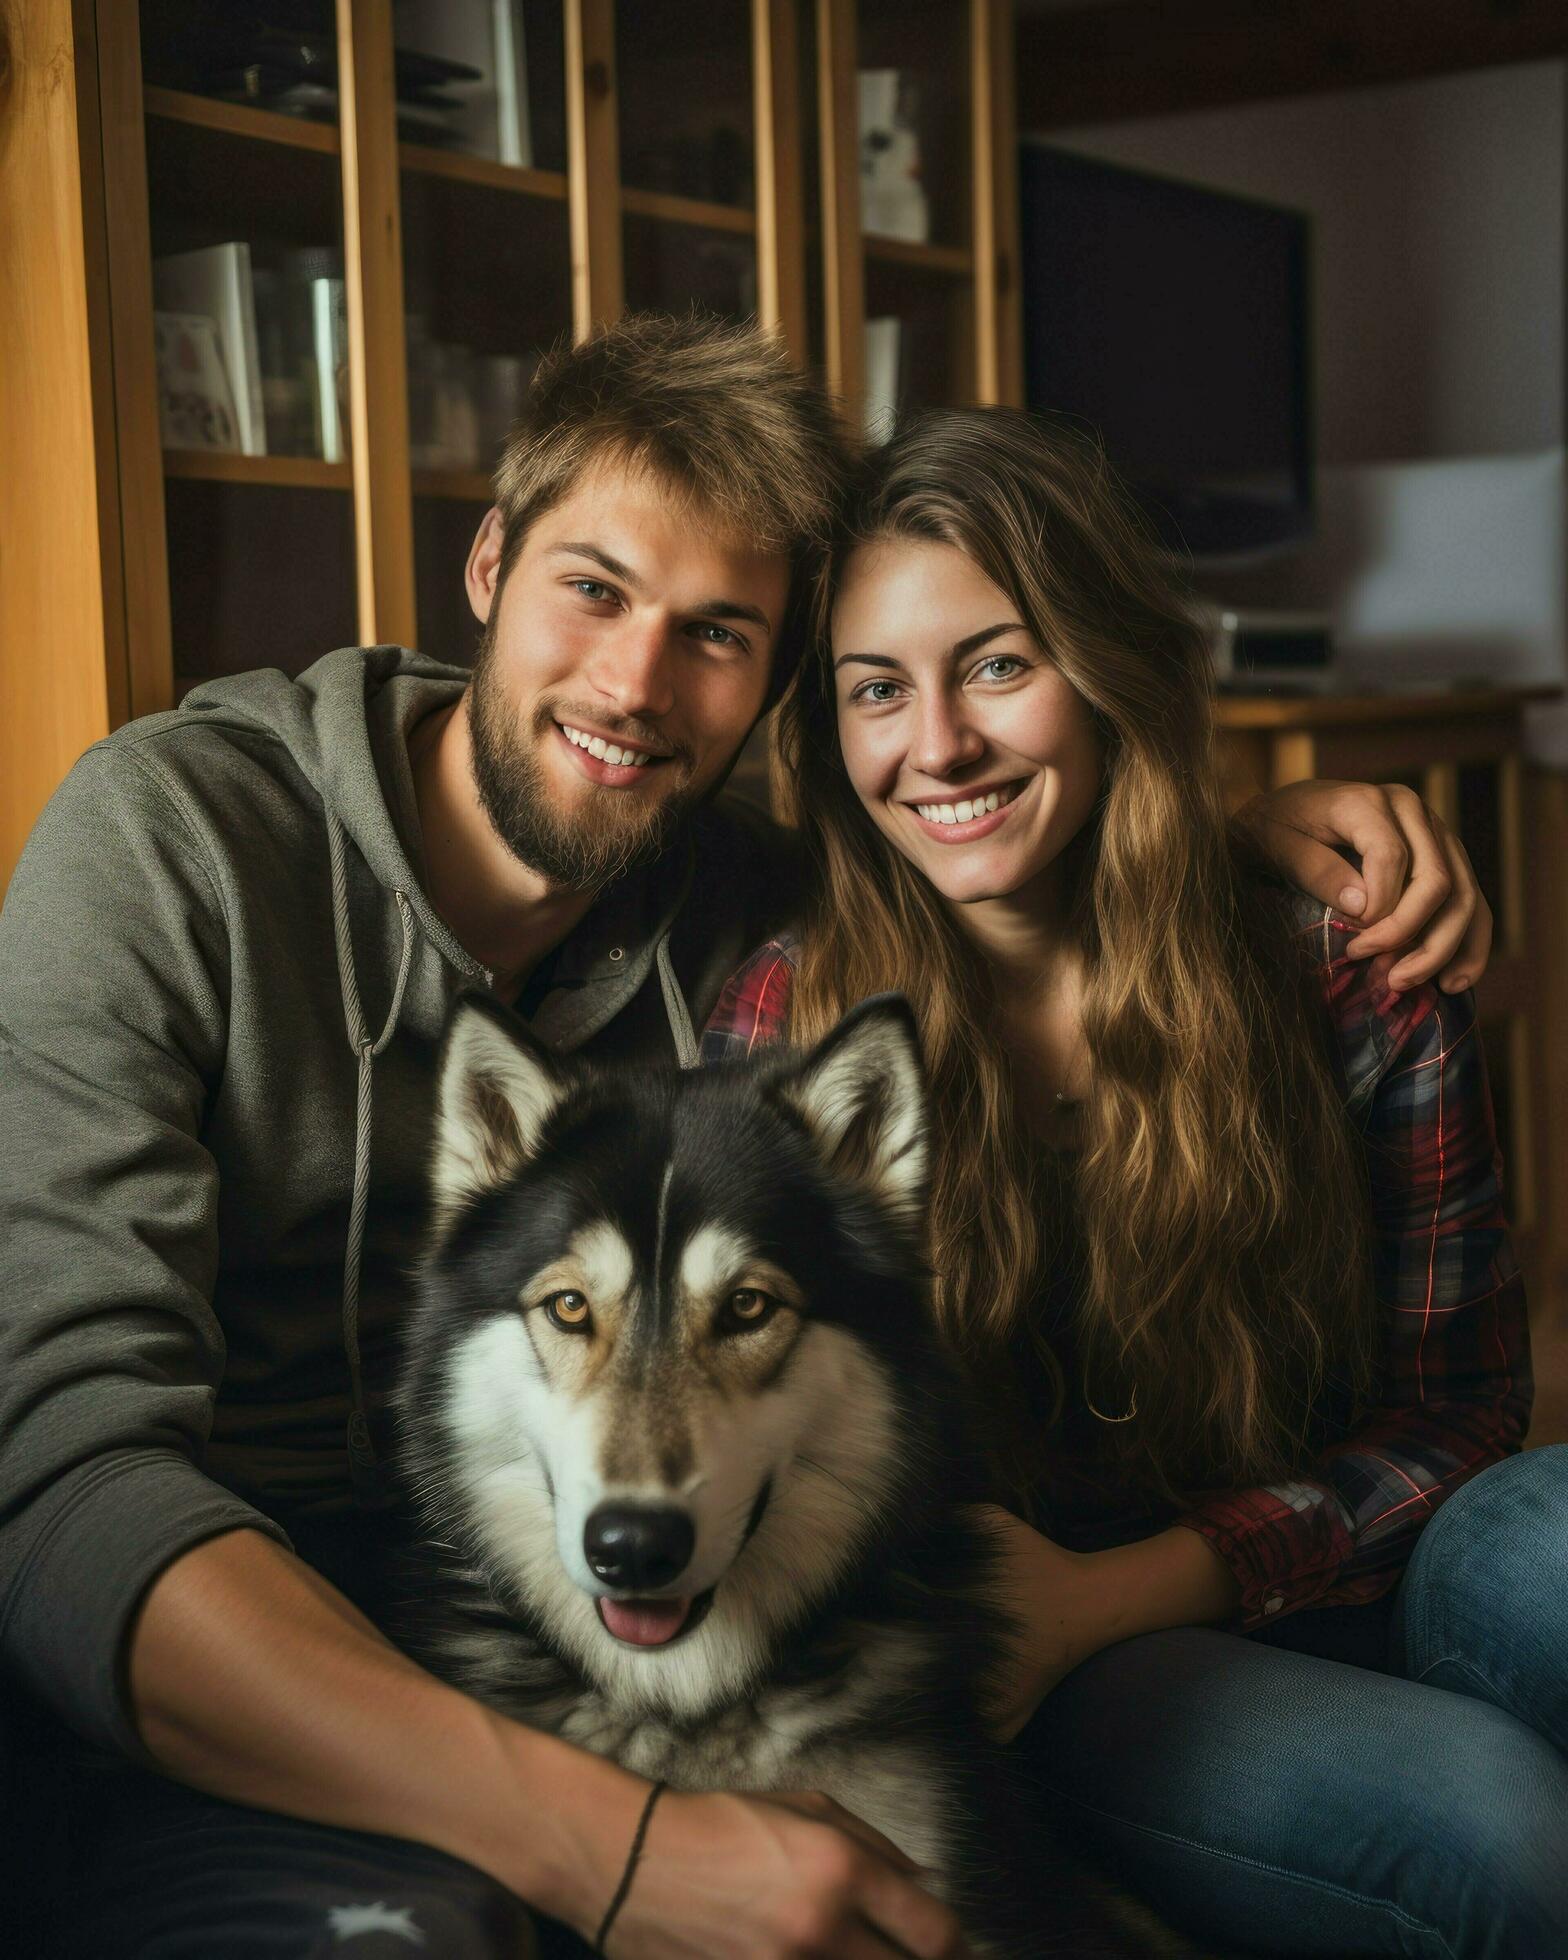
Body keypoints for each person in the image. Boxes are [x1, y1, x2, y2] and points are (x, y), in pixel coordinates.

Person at [0, 314, 1500, 1960]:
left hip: (605, 1608)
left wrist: (1240, 846)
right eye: (594, 586)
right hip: (212, 1676)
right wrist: (616, 1850)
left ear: (766, 689)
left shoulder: (725, 901)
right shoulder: (169, 841)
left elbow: (983, 834)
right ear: (489, 560)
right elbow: (66, 1478)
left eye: (717, 633)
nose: (636, 686)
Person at [704, 406, 1565, 1959]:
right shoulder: (785, 1031)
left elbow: (1463, 1409)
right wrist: (1078, 1621)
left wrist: (1157, 1580)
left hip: (1331, 1556)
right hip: (1047, 1658)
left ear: (1109, 673)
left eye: (1000, 664)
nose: (939, 744)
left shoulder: (1339, 964)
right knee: (1498, 1825)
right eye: (875, 690)